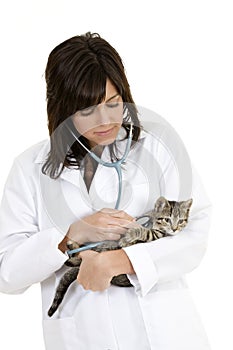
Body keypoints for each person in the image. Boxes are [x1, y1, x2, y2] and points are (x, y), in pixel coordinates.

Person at [0, 32, 211, 350]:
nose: (106, 120)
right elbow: (8, 274)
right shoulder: (30, 168)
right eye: (87, 111)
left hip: (166, 331)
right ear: (63, 109)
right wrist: (69, 235)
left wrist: (121, 261)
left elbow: (195, 230)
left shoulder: (157, 149)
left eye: (113, 104)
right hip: (85, 336)